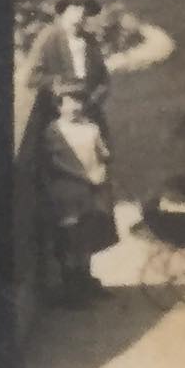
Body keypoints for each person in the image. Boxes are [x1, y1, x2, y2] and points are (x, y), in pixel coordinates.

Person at [39, 80, 119, 304]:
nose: (75, 107)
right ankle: (71, 289)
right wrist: (82, 175)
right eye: (69, 102)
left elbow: (103, 154)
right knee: (70, 238)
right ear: (59, 106)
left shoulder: (91, 128)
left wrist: (101, 171)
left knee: (87, 236)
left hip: (90, 190)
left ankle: (86, 281)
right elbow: (54, 161)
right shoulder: (54, 130)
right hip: (67, 190)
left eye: (79, 101)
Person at [25, 0, 112, 122]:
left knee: (98, 141)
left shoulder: (90, 42)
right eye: (76, 6)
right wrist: (62, 87)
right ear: (65, 8)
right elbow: (32, 78)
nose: (81, 12)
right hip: (56, 115)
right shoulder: (49, 38)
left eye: (86, 7)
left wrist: (91, 102)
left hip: (88, 113)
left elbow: (104, 81)